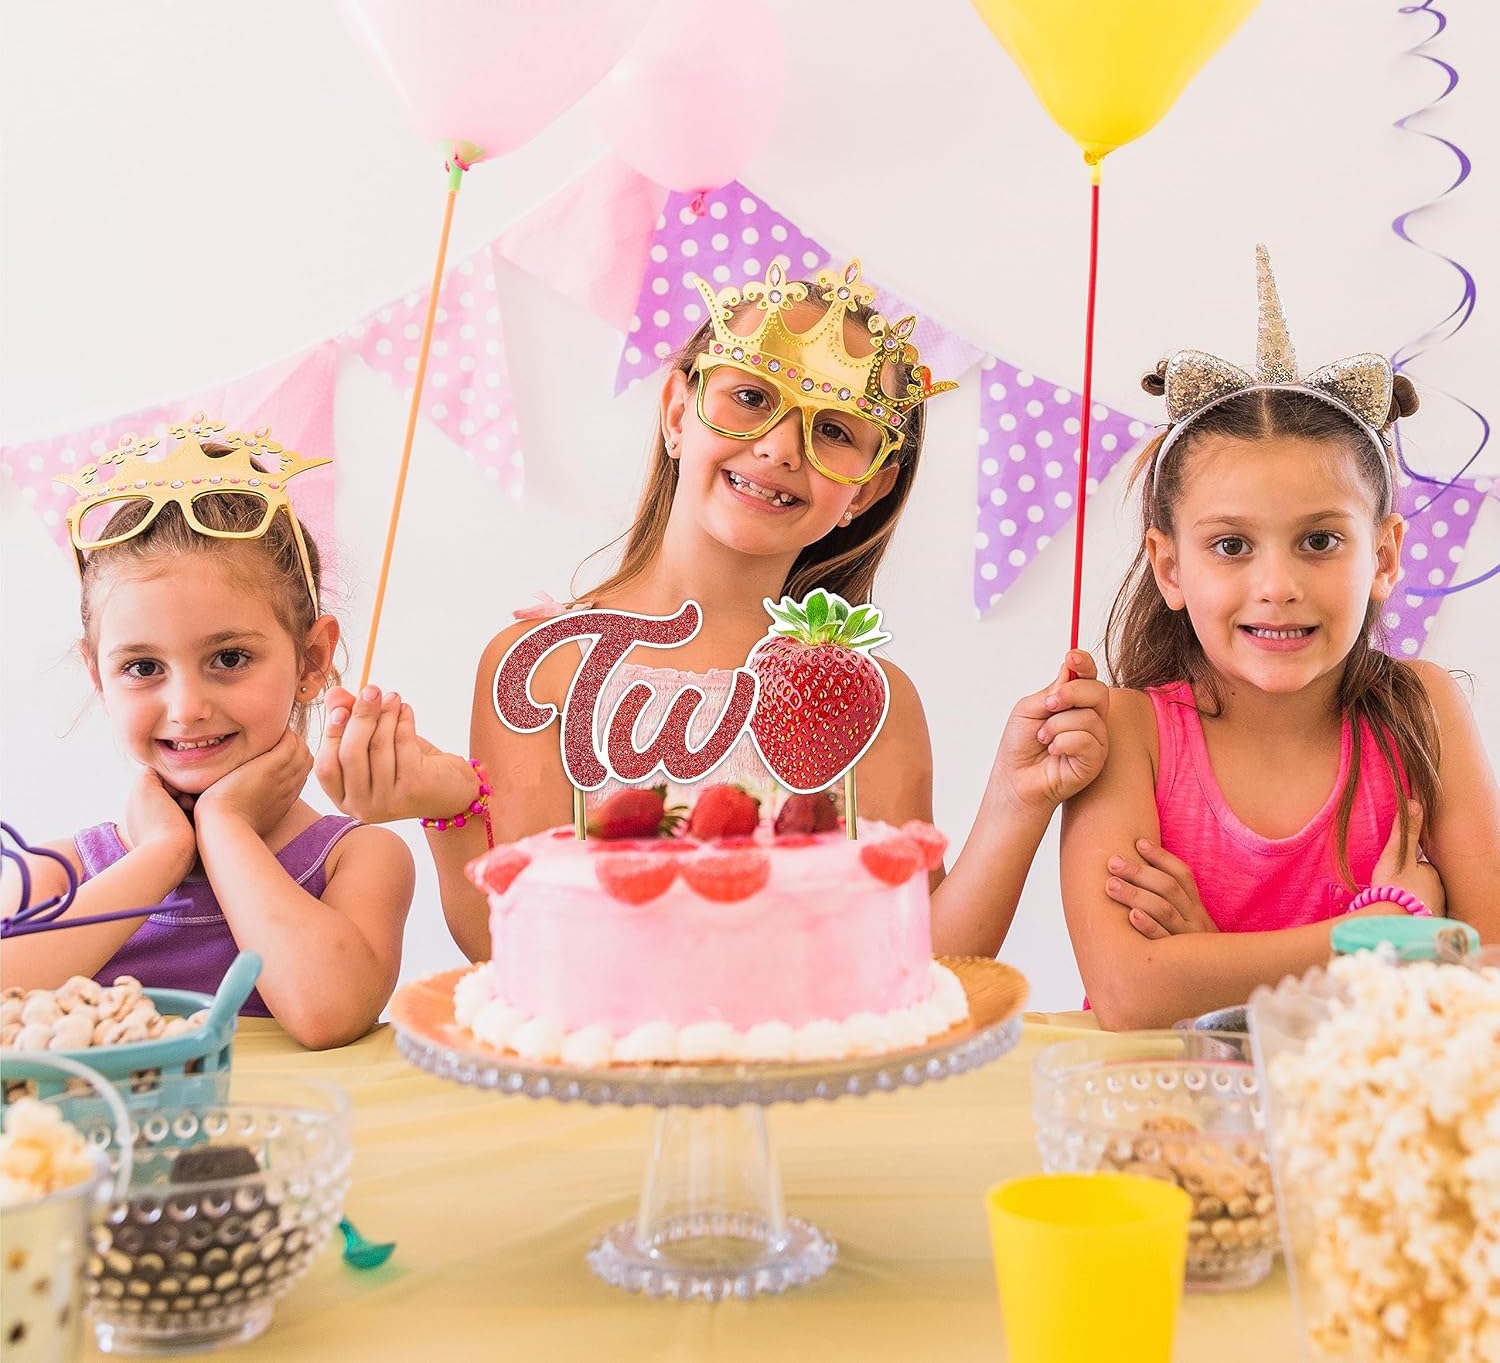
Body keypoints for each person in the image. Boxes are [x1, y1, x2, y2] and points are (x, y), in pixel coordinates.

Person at [316, 258, 1108, 962]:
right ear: (675, 411)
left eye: (834, 429)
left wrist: (1016, 800)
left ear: (866, 490)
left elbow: (921, 953)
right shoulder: (544, 664)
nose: (780, 447)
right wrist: (450, 804)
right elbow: (507, 937)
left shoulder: (863, 700)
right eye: (751, 396)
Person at [1062, 247, 1500, 1029]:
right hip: (1167, 1099)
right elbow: (1132, 992)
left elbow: (1489, 960)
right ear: (1170, 566)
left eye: (1319, 541)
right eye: (1232, 545)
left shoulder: (1422, 710)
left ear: (1385, 555)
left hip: (1362, 1100)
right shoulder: (1128, 732)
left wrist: (1211, 958)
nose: (1277, 585)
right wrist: (1378, 938)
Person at [0, 418, 414, 1049]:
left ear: (311, 660)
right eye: (143, 668)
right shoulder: (61, 876)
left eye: (229, 658)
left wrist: (225, 828)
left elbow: (327, 1014)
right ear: (98, 676)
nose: (187, 708)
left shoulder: (355, 861)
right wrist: (162, 855)